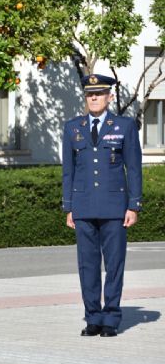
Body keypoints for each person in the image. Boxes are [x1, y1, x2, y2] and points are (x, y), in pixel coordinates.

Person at [61, 73, 142, 337]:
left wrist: (133, 205)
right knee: (88, 265)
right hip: (83, 207)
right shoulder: (73, 127)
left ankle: (111, 318)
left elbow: (134, 168)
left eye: (98, 93)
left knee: (114, 264)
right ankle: (93, 317)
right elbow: (68, 171)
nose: (93, 97)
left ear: (109, 96)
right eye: (89, 94)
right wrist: (69, 207)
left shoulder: (125, 126)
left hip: (114, 207)